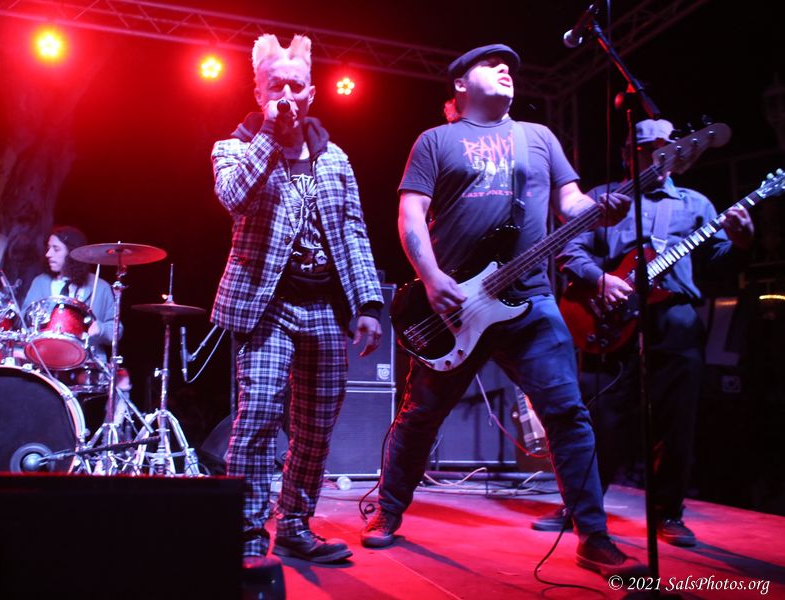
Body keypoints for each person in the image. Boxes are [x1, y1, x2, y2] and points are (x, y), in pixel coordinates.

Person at [359, 43, 647, 578]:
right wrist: (432, 278)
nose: (505, 70)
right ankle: (388, 510)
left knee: (567, 413)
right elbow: (410, 213)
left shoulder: (539, 138)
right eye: (490, 64)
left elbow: (571, 204)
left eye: (511, 65)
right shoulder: (435, 141)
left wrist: (602, 210)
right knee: (421, 415)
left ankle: (593, 537)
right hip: (456, 305)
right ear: (460, 84)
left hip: (531, 301)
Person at [532, 118, 755, 546]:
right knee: (598, 419)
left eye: (665, 147)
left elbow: (717, 264)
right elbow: (569, 250)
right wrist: (600, 280)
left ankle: (668, 514)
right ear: (627, 155)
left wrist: (743, 244)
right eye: (646, 148)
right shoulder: (602, 199)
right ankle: (580, 507)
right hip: (608, 318)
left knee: (676, 421)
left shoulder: (696, 204)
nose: (657, 155)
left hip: (675, 318)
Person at [210, 34, 384, 564]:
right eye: (275, 85)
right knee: (259, 413)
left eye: (295, 85)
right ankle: (243, 531)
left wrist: (368, 305)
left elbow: (353, 231)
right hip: (266, 307)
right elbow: (234, 197)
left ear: (312, 92)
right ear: (258, 91)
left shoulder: (335, 159)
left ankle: (293, 524)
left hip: (323, 308)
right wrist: (269, 134)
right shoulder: (233, 147)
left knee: (316, 424)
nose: (286, 94)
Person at [23, 225, 119, 370]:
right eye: (48, 248)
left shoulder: (101, 287)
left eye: (56, 249)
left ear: (72, 252)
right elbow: (23, 320)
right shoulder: (40, 282)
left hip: (87, 365)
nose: (48, 254)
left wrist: (101, 329)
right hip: (44, 361)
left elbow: (116, 330)